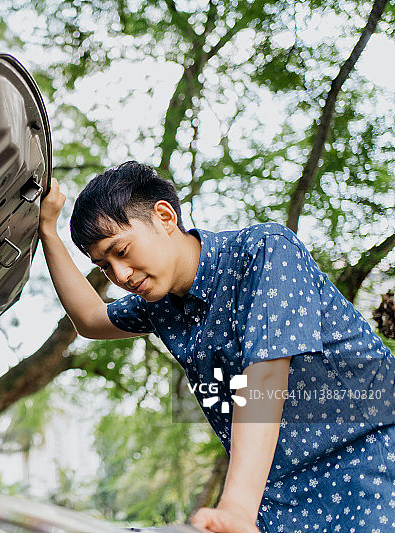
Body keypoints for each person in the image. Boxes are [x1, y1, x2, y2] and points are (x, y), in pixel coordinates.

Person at [38, 161, 395, 533]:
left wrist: (237, 507)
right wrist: (48, 231)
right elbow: (90, 319)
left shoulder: (265, 250)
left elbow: (265, 378)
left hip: (371, 471)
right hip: (279, 503)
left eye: (122, 251)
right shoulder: (161, 304)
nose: (120, 275)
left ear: (164, 217)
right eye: (105, 266)